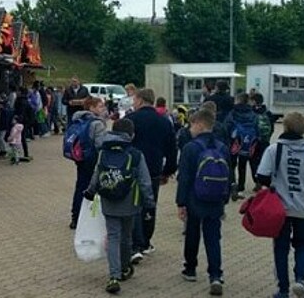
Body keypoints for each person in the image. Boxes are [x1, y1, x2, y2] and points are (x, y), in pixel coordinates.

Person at [255, 112, 304, 298]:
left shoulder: (273, 150)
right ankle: (301, 279)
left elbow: (261, 176)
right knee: (303, 244)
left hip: (280, 210)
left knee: (281, 247)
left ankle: (283, 289)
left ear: (284, 127)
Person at [83, 118, 154, 294]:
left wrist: (90, 192)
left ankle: (113, 276)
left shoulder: (103, 152)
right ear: (132, 135)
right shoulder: (136, 154)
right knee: (126, 236)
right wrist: (149, 203)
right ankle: (124, 267)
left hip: (109, 200)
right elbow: (145, 182)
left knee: (113, 236)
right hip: (130, 202)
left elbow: (96, 174)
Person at [176, 108, 229, 296]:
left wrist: (180, 202)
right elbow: (228, 176)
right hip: (215, 199)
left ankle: (190, 268)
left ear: (199, 124)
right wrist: (224, 199)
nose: (190, 128)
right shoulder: (222, 147)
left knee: (192, 233)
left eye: (191, 124)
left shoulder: (191, 148)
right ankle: (215, 274)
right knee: (213, 237)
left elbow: (184, 178)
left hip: (194, 198)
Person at [127, 89, 178, 261]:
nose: (133, 103)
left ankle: (135, 242)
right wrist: (168, 170)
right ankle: (146, 241)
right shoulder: (164, 122)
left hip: (132, 168)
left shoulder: (130, 120)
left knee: (133, 204)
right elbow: (172, 148)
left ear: (140, 100)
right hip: (154, 169)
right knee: (149, 204)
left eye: (134, 100)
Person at [68, 96, 108, 229]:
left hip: (80, 158)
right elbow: (100, 144)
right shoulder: (97, 123)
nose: (103, 109)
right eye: (100, 106)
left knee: (80, 185)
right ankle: (92, 215)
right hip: (93, 159)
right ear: (92, 108)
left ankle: (76, 215)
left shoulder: (78, 119)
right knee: (94, 188)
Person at [225, 93, 259, 201]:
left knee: (232, 163)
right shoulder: (252, 113)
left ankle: (233, 184)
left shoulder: (233, 112)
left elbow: (227, 125)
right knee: (243, 163)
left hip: (235, 141)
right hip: (247, 141)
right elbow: (256, 126)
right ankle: (241, 185)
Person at [249, 92, 274, 192]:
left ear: (254, 101)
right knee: (264, 161)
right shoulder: (268, 112)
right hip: (265, 140)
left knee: (253, 161)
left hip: (254, 141)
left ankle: (257, 181)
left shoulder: (251, 112)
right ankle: (264, 181)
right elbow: (272, 127)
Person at [14, 87, 35, 156]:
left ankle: (20, 153)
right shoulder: (25, 100)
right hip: (26, 121)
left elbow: (21, 112)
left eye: (18, 91)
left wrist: (17, 119)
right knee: (22, 137)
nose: (16, 92)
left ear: (20, 92)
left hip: (22, 121)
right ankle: (25, 153)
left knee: (20, 137)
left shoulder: (20, 101)